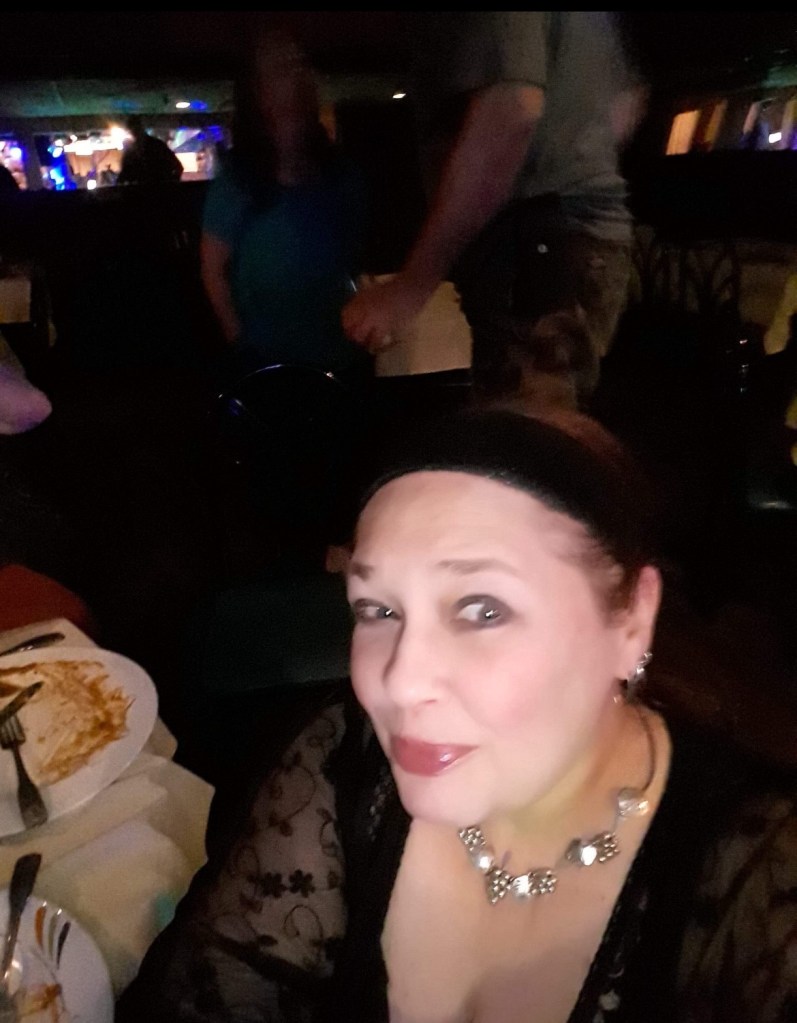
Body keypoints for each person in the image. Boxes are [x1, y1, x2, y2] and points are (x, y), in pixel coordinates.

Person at [116, 405, 797, 1022]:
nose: (399, 681)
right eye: (377, 609)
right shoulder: (342, 758)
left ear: (631, 620)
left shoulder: (759, 882)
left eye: (482, 609)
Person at [342, 12, 646, 411]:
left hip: (535, 250)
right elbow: (624, 106)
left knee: (519, 438)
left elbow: (513, 110)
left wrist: (413, 288)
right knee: (548, 430)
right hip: (573, 240)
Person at [200, 29, 371, 388]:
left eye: (299, 64)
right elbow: (212, 271)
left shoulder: (342, 173)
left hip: (342, 355)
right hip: (269, 363)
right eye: (280, 67)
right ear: (258, 91)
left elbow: (358, 260)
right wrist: (242, 346)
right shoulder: (239, 181)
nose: (296, 75)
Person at [116, 114, 183, 186]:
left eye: (133, 129)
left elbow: (123, 176)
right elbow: (178, 167)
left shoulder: (131, 151)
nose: (133, 132)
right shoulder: (157, 145)